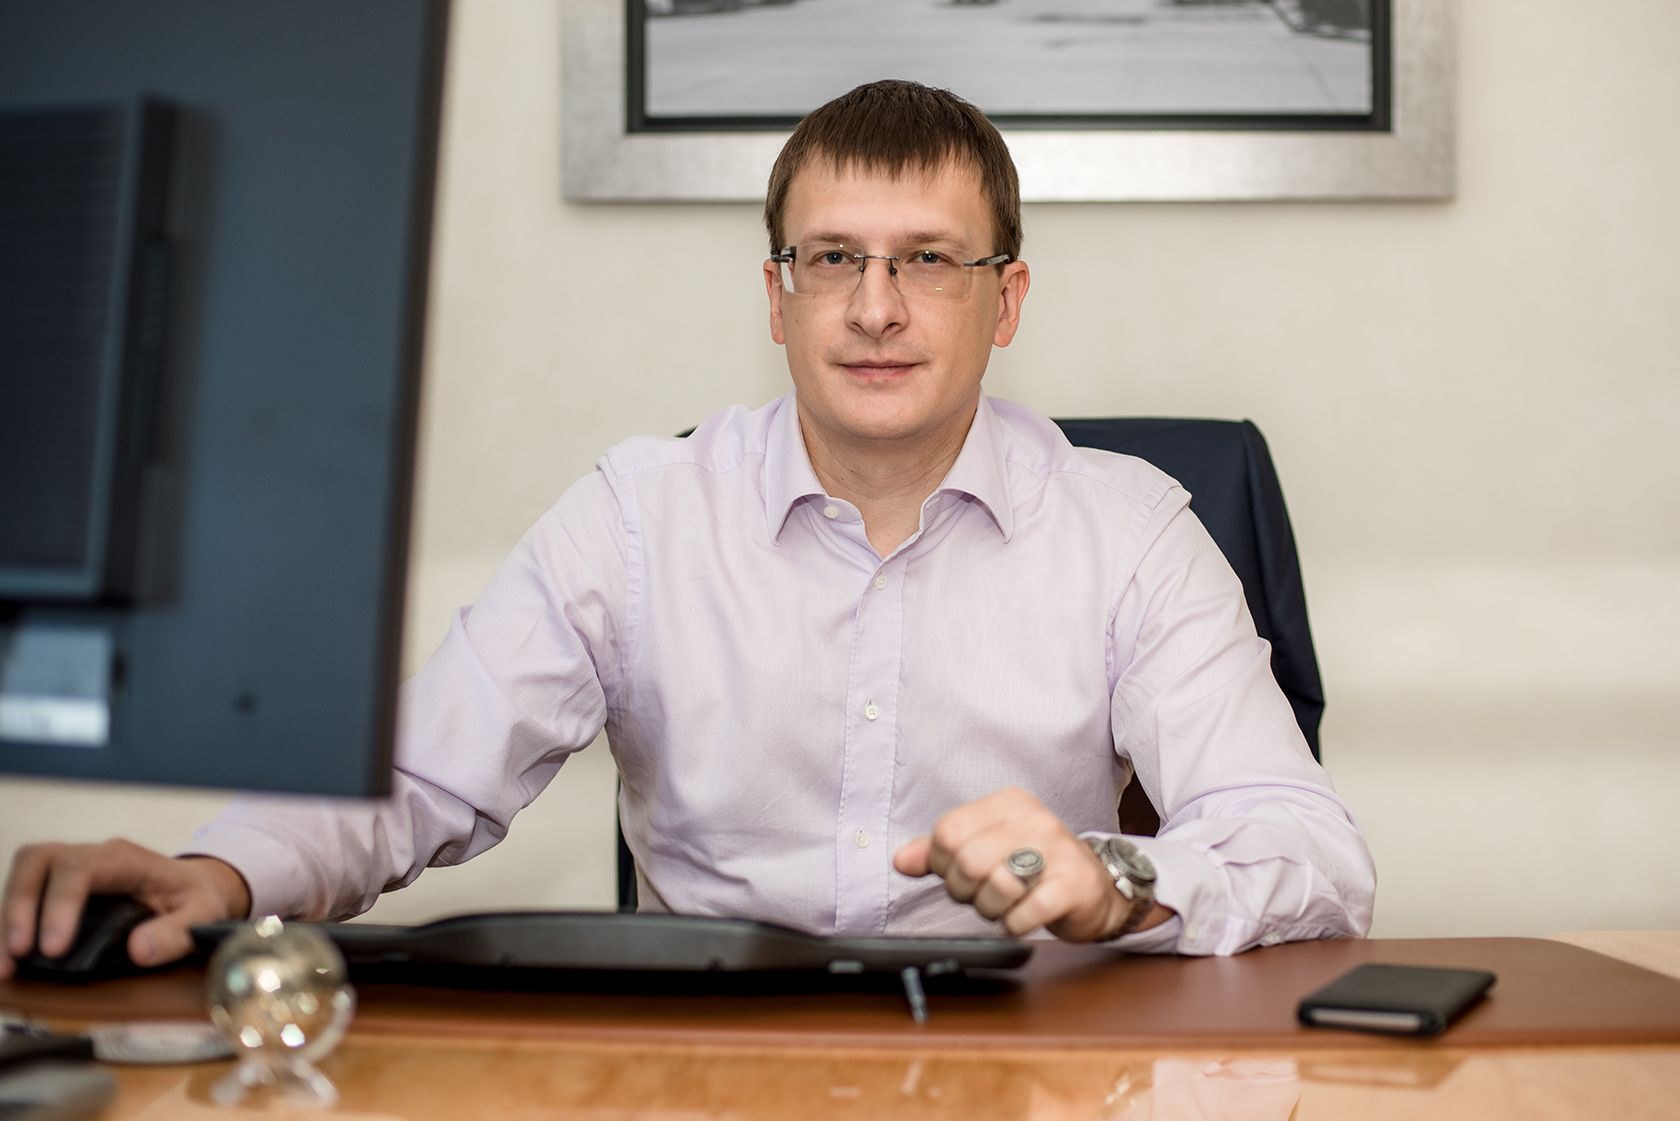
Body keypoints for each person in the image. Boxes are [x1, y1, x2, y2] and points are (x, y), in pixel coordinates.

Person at [0, 80, 1374, 979]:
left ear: (1005, 300)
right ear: (777, 296)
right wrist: (213, 872)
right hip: (706, 1061)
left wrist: (1114, 878)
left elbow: (1309, 849)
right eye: (832, 259)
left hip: (1034, 1059)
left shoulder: (1132, 528)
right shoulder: (638, 513)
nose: (876, 308)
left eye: (928, 260)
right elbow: (416, 779)